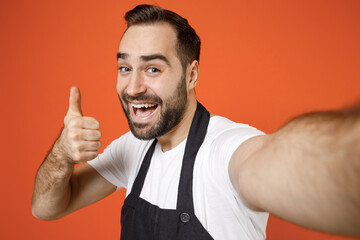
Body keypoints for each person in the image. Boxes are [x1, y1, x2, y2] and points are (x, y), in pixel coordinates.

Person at [31, 4, 360, 240]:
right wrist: (62, 152)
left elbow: (288, 163)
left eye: (153, 68)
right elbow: (45, 208)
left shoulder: (226, 150)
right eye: (125, 68)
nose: (132, 88)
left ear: (192, 74)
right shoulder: (133, 149)